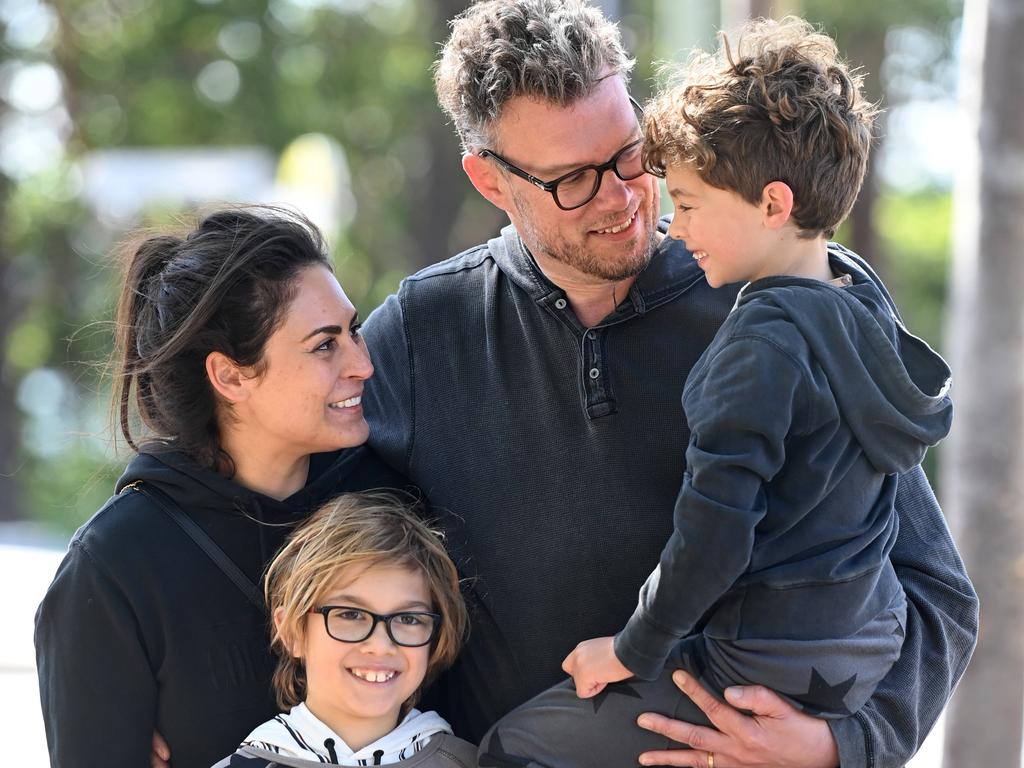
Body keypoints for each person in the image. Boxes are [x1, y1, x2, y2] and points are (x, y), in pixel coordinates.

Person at [360, 1, 978, 766]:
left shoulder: (780, 303)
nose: (622, 197)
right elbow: (270, 514)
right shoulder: (420, 333)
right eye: (573, 181)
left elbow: (937, 591)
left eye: (629, 154)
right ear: (489, 180)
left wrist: (839, 748)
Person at [35, 207, 406, 768]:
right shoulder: (116, 567)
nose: (363, 364)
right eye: (325, 345)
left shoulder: (391, 505)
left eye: (353, 331)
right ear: (230, 376)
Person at [212, 491, 474, 767]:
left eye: (408, 619)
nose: (381, 645)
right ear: (292, 631)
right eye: (351, 614)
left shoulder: (468, 762)